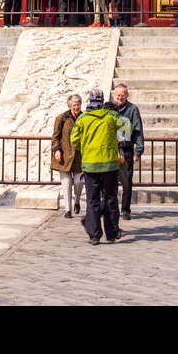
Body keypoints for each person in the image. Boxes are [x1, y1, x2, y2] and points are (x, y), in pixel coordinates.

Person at [70, 87, 134, 245]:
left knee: (92, 201)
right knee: (110, 198)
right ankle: (112, 233)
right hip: (109, 165)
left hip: (90, 165)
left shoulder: (83, 119)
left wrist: (85, 148)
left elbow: (74, 140)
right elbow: (127, 129)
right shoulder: (112, 116)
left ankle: (94, 235)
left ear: (90, 101)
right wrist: (117, 141)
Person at [112, 83, 145, 220]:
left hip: (126, 150)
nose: (120, 97)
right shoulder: (110, 109)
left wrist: (138, 151)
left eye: (123, 95)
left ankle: (125, 209)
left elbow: (138, 131)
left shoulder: (132, 109)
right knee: (110, 182)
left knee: (126, 182)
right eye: (118, 95)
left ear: (127, 95)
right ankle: (112, 208)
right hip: (112, 150)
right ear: (115, 95)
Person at [51, 94, 84, 218]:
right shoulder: (62, 118)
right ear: (69, 105)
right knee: (67, 182)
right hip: (64, 155)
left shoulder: (84, 117)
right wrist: (56, 150)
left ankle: (77, 201)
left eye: (78, 104)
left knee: (78, 182)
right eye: (74, 105)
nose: (76, 107)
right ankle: (68, 209)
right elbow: (55, 137)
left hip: (79, 156)